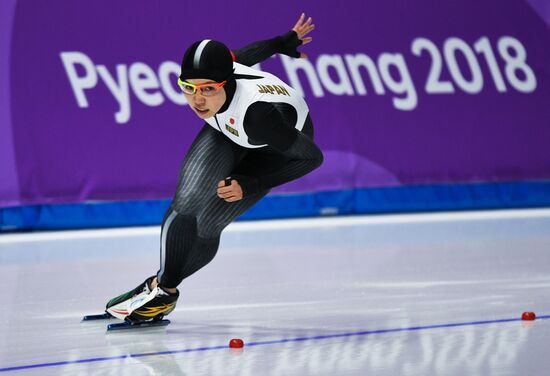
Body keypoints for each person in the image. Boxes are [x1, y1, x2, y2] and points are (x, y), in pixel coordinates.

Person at [105, 13, 323, 323]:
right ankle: (161, 286)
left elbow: (312, 157)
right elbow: (249, 53)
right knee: (187, 201)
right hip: (231, 130)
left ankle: (162, 288)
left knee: (208, 224)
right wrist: (283, 42)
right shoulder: (225, 70)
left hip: (274, 149)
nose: (197, 100)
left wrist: (254, 182)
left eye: (208, 89)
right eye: (188, 88)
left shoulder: (258, 116)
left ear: (226, 82)